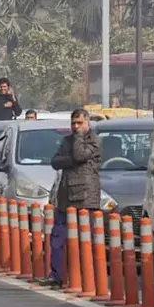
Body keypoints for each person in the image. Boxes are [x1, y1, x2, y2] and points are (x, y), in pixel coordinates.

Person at [43, 108, 102, 288]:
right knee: (58, 238)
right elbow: (56, 161)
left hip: (86, 197)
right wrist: (71, 159)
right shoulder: (67, 140)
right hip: (66, 196)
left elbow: (80, 155)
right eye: (73, 124)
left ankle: (87, 279)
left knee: (85, 241)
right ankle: (57, 276)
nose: (75, 127)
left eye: (79, 123)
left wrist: (77, 141)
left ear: (88, 123)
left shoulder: (94, 140)